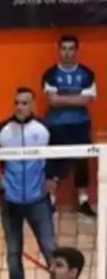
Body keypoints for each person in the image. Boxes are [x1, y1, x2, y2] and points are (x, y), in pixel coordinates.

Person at [0, 87, 59, 279]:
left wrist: (54, 178)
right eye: (17, 102)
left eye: (25, 103)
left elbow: (66, 155)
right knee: (14, 255)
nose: (20, 106)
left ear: (32, 105)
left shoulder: (45, 129)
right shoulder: (1, 131)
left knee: (51, 250)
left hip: (38, 201)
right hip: (10, 202)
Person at [42, 34, 97, 218]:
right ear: (59, 50)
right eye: (64, 48)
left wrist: (62, 99)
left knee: (82, 162)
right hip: (55, 126)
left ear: (76, 50)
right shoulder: (50, 74)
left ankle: (83, 201)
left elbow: (87, 100)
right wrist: (76, 99)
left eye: (71, 48)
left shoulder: (87, 74)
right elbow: (52, 101)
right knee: (54, 162)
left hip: (80, 125)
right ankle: (50, 201)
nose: (67, 52)